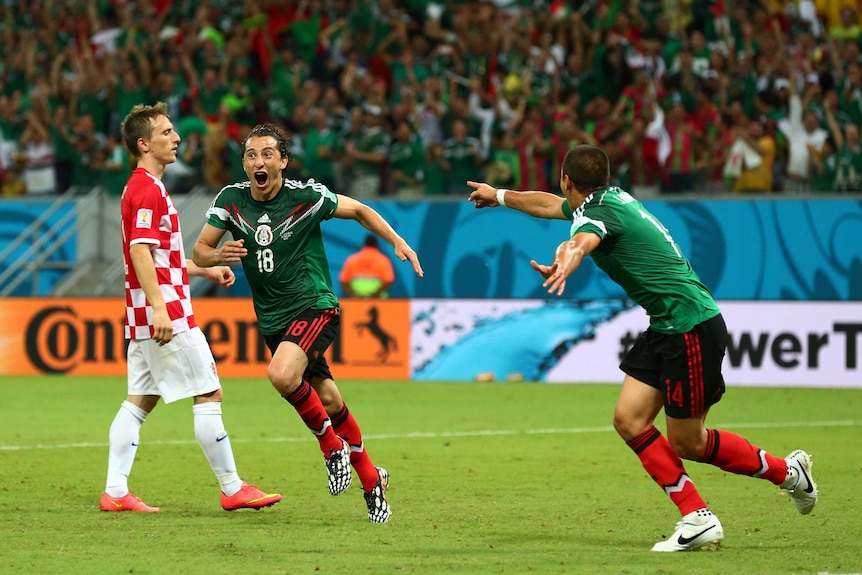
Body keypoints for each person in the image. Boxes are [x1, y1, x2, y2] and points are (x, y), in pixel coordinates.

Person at [467, 145, 818, 552]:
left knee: (689, 442)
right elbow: (549, 206)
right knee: (629, 419)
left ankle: (789, 474)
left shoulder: (597, 215)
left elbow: (581, 241)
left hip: (690, 326)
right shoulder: (609, 199)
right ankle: (696, 515)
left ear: (566, 179)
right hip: (668, 325)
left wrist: (566, 259)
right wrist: (500, 196)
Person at [192, 123, 424, 523]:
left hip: (315, 306)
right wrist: (217, 256)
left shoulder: (306, 197)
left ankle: (331, 447)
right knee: (329, 399)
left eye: (267, 153)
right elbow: (199, 250)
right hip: (273, 320)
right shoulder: (231, 200)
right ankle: (371, 478)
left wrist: (397, 241)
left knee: (282, 375)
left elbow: (361, 211)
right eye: (250, 154)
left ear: (283, 160)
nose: (258, 161)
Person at [102, 102, 281, 513]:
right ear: (144, 143)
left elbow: (158, 257)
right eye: (166, 132)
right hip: (167, 314)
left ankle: (115, 492)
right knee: (209, 391)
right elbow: (141, 254)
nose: (176, 137)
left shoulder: (140, 186)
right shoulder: (147, 188)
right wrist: (162, 308)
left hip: (144, 313)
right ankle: (232, 487)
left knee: (139, 400)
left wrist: (204, 270)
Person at [339, 234, 396, 299]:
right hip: (378, 301)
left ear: (365, 244)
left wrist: (354, 295)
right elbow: (388, 281)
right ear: (377, 245)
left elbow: (344, 282)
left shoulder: (352, 259)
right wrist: (372, 296)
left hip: (356, 301)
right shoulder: (383, 260)